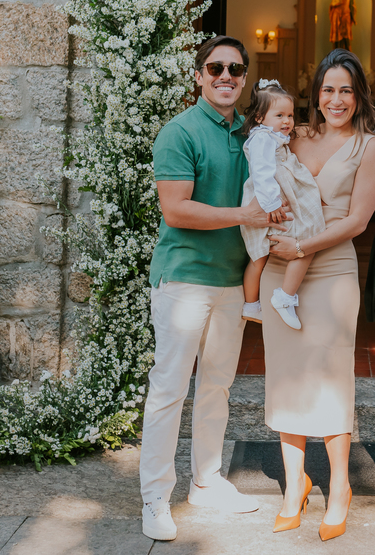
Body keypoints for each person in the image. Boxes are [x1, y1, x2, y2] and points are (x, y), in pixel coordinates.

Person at [140, 35, 282, 541]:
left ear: (245, 79)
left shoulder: (252, 134)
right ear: (198, 74)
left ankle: (207, 481)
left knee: (217, 386)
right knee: (169, 390)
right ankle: (155, 497)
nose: (226, 77)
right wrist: (242, 215)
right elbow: (175, 208)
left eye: (236, 70)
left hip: (233, 282)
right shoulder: (179, 132)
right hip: (185, 278)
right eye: (215, 68)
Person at [259, 48, 375, 541]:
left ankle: (338, 489)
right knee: (286, 375)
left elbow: (357, 221)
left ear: (359, 97)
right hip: (276, 269)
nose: (336, 99)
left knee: (332, 377)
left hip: (331, 268)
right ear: (316, 94)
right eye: (328, 89)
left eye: (346, 91)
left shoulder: (369, 147)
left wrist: (302, 246)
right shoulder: (292, 134)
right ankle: (295, 486)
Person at [238, 78, 326, 330]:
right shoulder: (263, 139)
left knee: (260, 256)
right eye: (279, 115)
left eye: (290, 115)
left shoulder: (271, 136)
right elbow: (262, 173)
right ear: (259, 117)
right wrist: (272, 204)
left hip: (276, 197)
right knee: (302, 238)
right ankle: (277, 298)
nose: (287, 121)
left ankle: (254, 304)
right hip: (269, 201)